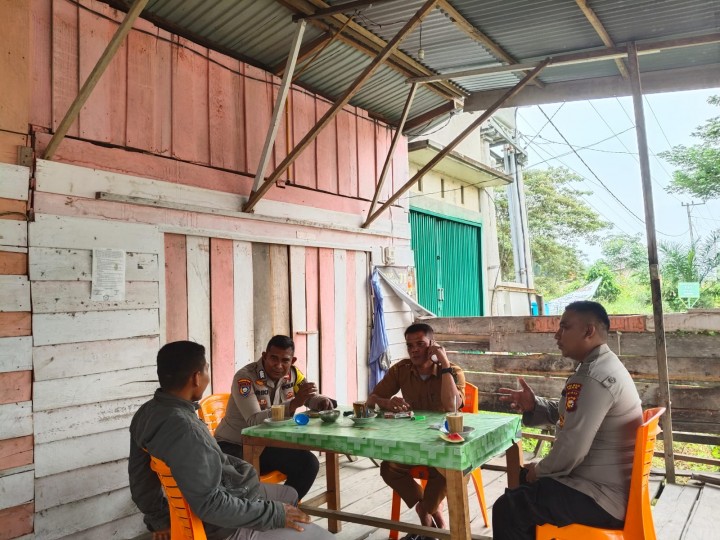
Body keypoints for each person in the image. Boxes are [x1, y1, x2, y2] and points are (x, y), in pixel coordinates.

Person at [128, 340, 333, 540]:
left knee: (290, 493)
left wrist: (162, 519)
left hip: (230, 491)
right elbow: (211, 504)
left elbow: (140, 481)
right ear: (196, 378)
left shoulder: (147, 413)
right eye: (207, 369)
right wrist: (274, 514)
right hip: (225, 525)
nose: (279, 364)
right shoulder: (188, 430)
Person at [493, 301, 642, 540]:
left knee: (508, 509)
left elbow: (572, 449)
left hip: (601, 497)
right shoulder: (603, 366)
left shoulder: (594, 377)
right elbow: (573, 415)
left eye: (564, 327)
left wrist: (539, 471)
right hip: (607, 488)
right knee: (520, 492)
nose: (556, 335)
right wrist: (535, 405)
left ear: (588, 331)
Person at [365, 323, 465, 540]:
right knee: (388, 467)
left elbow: (452, 407)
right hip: (413, 446)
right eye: (410, 345)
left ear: (433, 346)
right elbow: (371, 400)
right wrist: (388, 402)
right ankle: (427, 508)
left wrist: (444, 364)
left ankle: (426, 512)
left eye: (420, 344)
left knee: (453, 471)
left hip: (442, 446)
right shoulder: (401, 370)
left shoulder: (452, 371)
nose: (414, 350)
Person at [215, 335, 334, 500]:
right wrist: (293, 404)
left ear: (292, 361)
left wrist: (320, 401)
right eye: (273, 358)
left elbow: (307, 396)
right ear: (264, 356)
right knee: (305, 463)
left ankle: (280, 509)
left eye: (285, 360)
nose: (278, 365)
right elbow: (254, 421)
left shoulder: (293, 374)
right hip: (234, 446)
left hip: (266, 443)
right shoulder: (245, 378)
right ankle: (272, 513)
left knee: (307, 463)